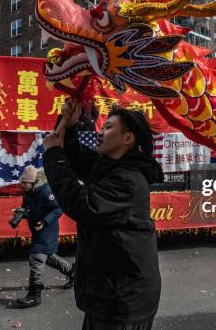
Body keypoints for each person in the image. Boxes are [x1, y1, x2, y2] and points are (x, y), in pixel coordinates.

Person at [42, 100, 163, 330]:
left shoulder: (128, 180)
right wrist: (69, 125)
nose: (100, 132)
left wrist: (53, 155)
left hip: (122, 303)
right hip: (107, 295)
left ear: (127, 138)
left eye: (108, 127)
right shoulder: (110, 166)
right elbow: (77, 157)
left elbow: (81, 204)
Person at [13, 165, 75, 308]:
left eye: (25, 183)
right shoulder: (29, 192)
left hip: (47, 230)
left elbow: (58, 208)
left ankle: (34, 295)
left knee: (36, 258)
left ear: (34, 181)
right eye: (22, 182)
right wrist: (22, 213)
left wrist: (45, 222)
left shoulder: (46, 191)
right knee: (50, 257)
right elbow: (29, 208)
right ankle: (73, 272)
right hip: (37, 230)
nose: (23, 185)